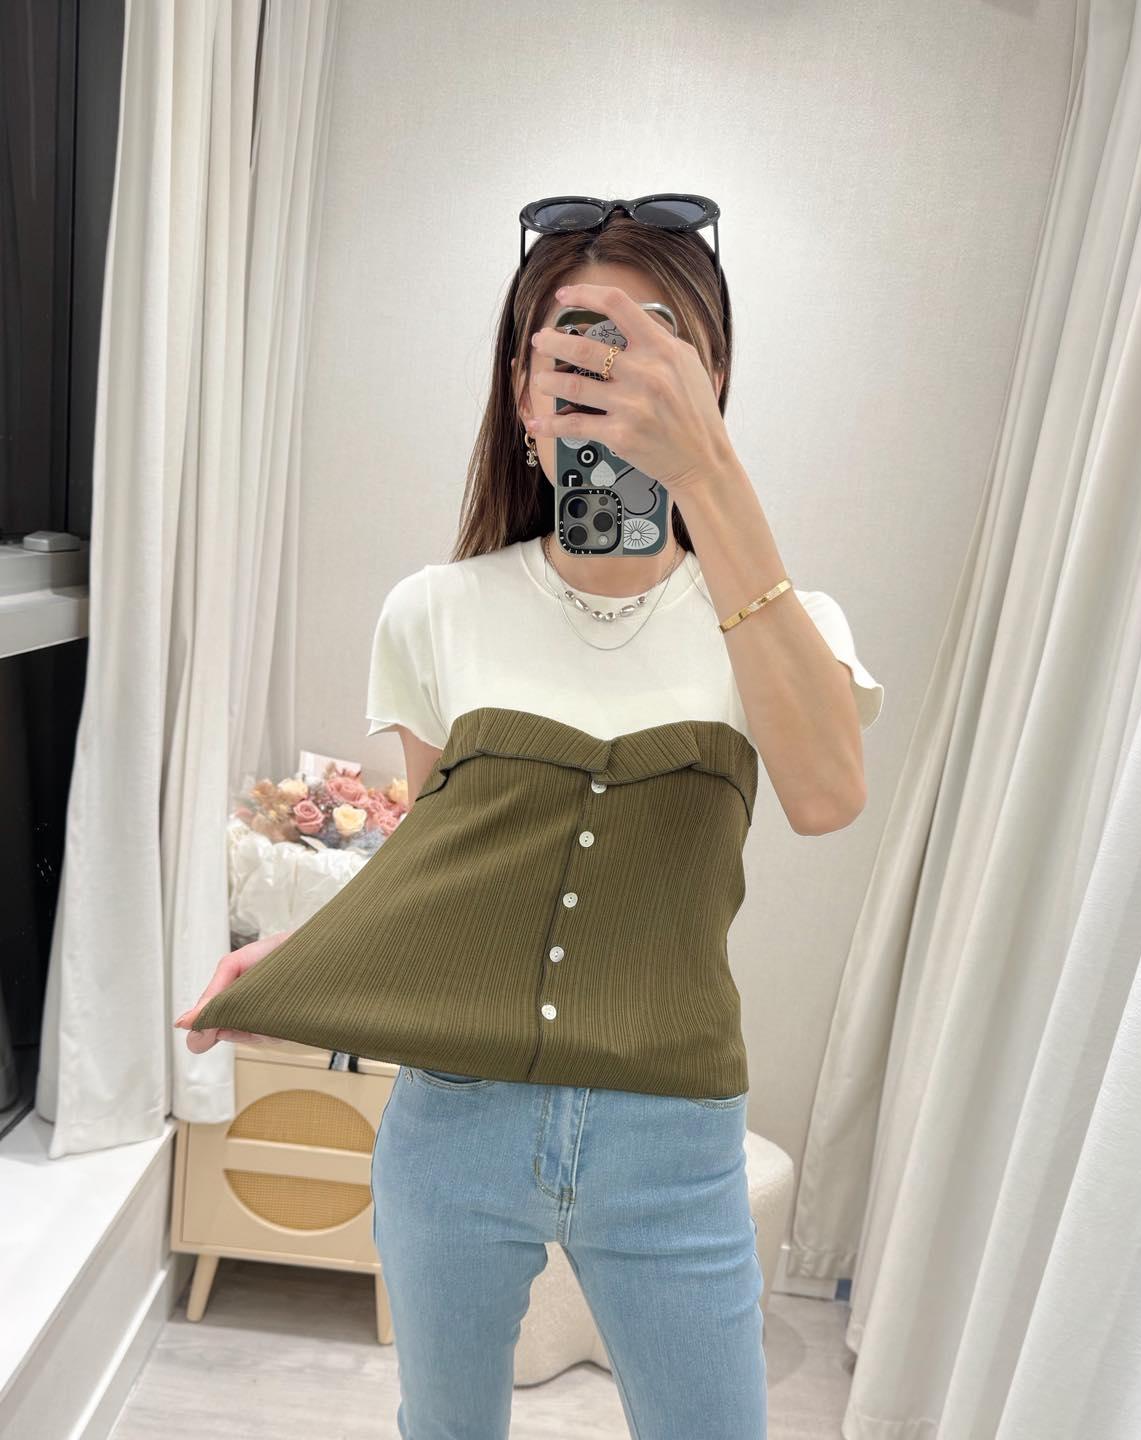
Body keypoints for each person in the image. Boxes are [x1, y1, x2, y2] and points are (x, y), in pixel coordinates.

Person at [175, 196, 883, 1440]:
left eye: (659, 344)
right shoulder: (435, 611)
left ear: (711, 384)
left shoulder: (788, 623)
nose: (617, 377)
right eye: (581, 348)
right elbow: (442, 865)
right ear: (523, 392)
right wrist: (315, 954)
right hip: (455, 1120)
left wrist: (708, 478)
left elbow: (827, 798)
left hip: (673, 1142)